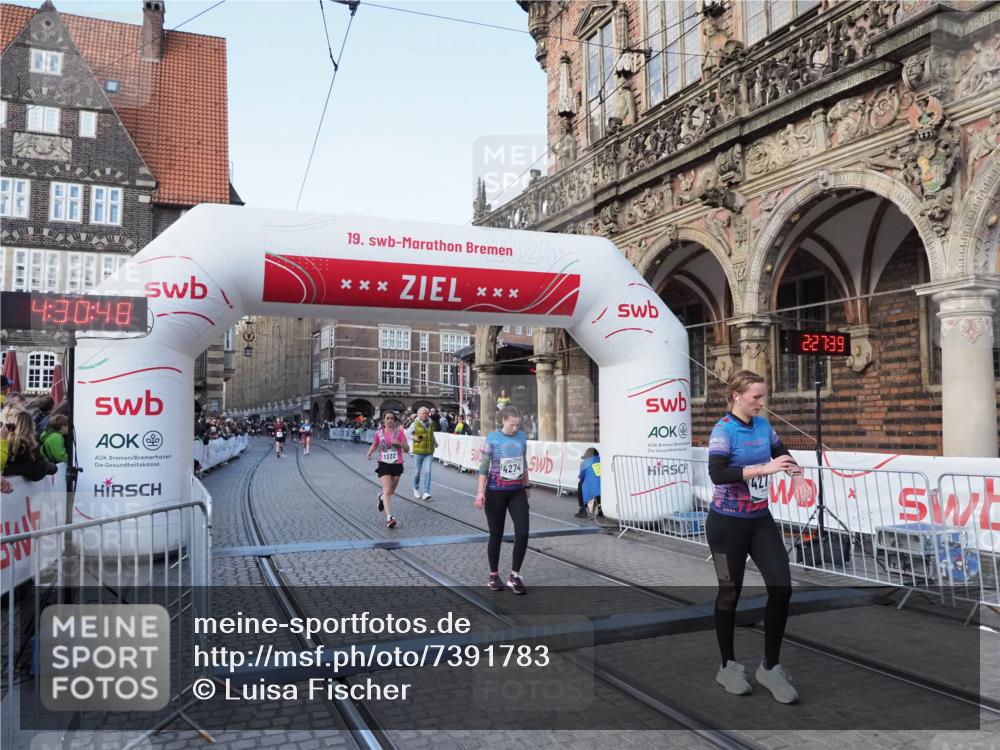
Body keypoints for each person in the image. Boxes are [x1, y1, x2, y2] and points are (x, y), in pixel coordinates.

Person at [707, 370, 809, 704]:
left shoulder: (764, 427)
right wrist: (762, 470)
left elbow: (784, 455)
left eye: (763, 397)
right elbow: (718, 473)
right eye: (756, 397)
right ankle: (727, 665)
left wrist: (796, 476)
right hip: (725, 526)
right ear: (737, 396)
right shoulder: (723, 431)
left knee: (782, 588)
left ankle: (770, 667)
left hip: (759, 521)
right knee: (729, 594)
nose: (761, 403)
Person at [475, 404, 531, 594]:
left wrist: (527, 484)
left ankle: (514, 576)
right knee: (496, 535)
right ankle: (493, 575)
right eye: (512, 425)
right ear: (503, 421)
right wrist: (480, 492)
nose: (515, 429)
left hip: (517, 491)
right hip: (495, 491)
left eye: (517, 425)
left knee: (523, 532)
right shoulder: (492, 438)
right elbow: (484, 467)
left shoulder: (522, 437)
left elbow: (523, 463)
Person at [367, 411, 409, 528]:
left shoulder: (399, 433)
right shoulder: (378, 433)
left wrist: (400, 445)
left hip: (397, 464)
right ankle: (390, 517)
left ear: (394, 421)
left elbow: (407, 449)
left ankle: (380, 497)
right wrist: (370, 452)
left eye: (392, 418)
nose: (390, 420)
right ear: (383, 420)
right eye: (388, 418)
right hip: (384, 464)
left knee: (391, 492)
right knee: (387, 491)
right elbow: (375, 444)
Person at [2, 409, 57, 481]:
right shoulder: (27, 446)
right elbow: (38, 469)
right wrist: (51, 467)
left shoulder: (4, 444)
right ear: (31, 426)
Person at [405, 406, 437, 501]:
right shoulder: (415, 423)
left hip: (429, 451)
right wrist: (415, 438)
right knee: (417, 472)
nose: (425, 415)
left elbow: (431, 435)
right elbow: (408, 433)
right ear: (419, 414)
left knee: (428, 472)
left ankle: (426, 492)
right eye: (423, 413)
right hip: (418, 451)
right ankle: (416, 488)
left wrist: (435, 442)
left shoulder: (431, 423)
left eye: (426, 413)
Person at [576, 447, 601, 519]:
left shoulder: (584, 463)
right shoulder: (601, 460)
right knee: (597, 485)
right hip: (603, 487)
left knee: (581, 484)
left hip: (593, 488)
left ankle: (582, 509)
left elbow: (581, 477)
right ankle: (600, 508)